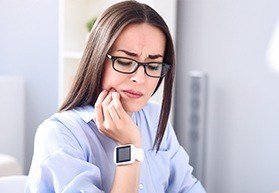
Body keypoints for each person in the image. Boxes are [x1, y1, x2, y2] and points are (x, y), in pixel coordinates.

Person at [25, 1, 206, 192]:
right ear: (97, 59)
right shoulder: (60, 135)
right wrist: (130, 147)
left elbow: (188, 188)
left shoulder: (154, 117)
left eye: (153, 66)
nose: (139, 78)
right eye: (125, 62)